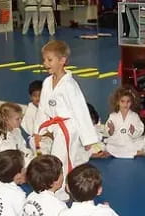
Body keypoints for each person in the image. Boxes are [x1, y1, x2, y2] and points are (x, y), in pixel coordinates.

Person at [38, 40, 99, 200]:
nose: (45, 63)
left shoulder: (70, 85)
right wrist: (41, 130)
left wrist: (88, 139)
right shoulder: (46, 82)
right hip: (55, 126)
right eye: (44, 60)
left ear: (62, 60)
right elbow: (43, 108)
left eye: (49, 60)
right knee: (55, 157)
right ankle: (63, 187)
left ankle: (61, 193)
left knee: (61, 159)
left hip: (68, 127)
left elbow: (81, 111)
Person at [104, 86, 144, 159]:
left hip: (130, 140)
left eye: (128, 101)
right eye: (122, 101)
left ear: (132, 102)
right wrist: (111, 130)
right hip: (117, 141)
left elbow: (140, 129)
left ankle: (118, 153)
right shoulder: (113, 116)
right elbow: (108, 131)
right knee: (109, 146)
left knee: (142, 143)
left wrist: (133, 131)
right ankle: (135, 153)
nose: (125, 104)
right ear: (118, 102)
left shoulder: (134, 116)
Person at [21, 80, 53, 156]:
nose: (38, 98)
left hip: (50, 138)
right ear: (30, 97)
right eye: (35, 96)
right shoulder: (30, 111)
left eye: (40, 95)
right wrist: (48, 134)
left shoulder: (48, 107)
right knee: (42, 157)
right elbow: (33, 131)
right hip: (37, 140)